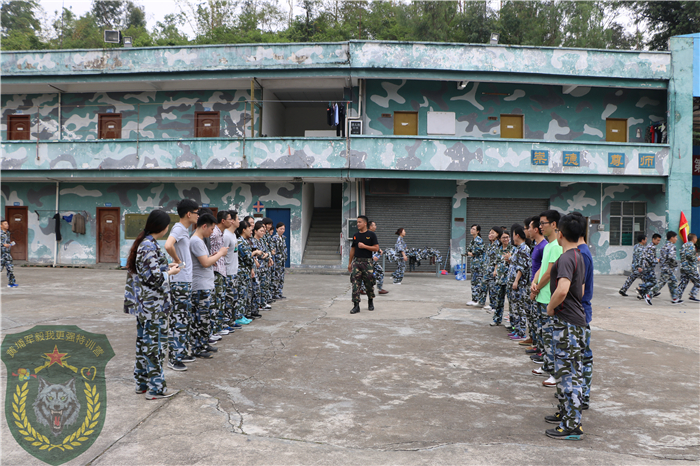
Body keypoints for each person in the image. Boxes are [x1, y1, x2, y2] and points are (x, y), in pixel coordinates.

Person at [124, 210, 181, 399]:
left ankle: (141, 383)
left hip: (146, 306)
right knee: (155, 347)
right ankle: (155, 388)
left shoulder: (146, 243)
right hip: (153, 307)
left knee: (144, 344)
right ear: (162, 227)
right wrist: (170, 273)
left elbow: (150, 270)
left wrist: (166, 267)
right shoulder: (148, 246)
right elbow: (153, 278)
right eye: (167, 226)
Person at [544, 213, 586, 440]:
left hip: (566, 323)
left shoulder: (567, 258)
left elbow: (562, 290)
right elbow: (579, 289)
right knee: (569, 372)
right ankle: (568, 416)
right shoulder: (578, 255)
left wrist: (550, 308)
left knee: (568, 375)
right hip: (574, 321)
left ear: (560, 233)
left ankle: (572, 425)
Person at [164, 199, 199, 371]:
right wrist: (177, 260)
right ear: (189, 214)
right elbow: (168, 245)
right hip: (179, 281)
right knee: (179, 319)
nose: (198, 216)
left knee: (184, 318)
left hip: (185, 281)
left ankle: (181, 351)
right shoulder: (178, 228)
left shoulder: (184, 230)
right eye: (197, 212)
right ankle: (174, 358)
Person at [530, 210, 562, 385]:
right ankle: (547, 365)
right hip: (541, 296)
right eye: (540, 224)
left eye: (543, 223)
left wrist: (537, 288)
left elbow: (550, 273)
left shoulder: (557, 245)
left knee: (550, 337)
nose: (540, 226)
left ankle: (554, 372)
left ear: (554, 225)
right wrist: (534, 283)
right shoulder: (548, 245)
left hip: (548, 297)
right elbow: (540, 269)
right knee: (544, 335)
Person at [190, 213, 228, 359]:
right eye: (211, 229)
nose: (212, 232)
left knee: (204, 318)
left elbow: (206, 260)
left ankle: (203, 343)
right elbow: (205, 263)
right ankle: (197, 347)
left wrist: (214, 255)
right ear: (204, 226)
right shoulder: (196, 241)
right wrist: (220, 254)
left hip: (205, 285)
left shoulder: (199, 240)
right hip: (199, 286)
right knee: (199, 318)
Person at [572, 212, 594, 411]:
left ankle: (583, 396)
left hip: (580, 313)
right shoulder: (581, 251)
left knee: (582, 357)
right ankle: (581, 395)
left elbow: (580, 290)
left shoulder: (582, 253)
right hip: (580, 312)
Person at [222, 211, 248, 328]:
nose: (239, 221)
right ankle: (226, 322)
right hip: (227, 272)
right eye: (237, 219)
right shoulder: (226, 235)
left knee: (233, 298)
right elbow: (222, 255)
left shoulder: (233, 235)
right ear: (232, 221)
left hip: (234, 271)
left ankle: (232, 320)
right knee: (227, 299)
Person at [349, 215, 379, 314]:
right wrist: (350, 263)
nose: (357, 224)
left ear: (365, 223)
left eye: (359, 222)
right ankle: (356, 305)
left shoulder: (371, 235)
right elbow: (353, 249)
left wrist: (364, 246)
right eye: (357, 222)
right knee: (355, 284)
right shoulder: (356, 235)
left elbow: (376, 248)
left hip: (367, 262)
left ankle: (370, 301)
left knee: (369, 283)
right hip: (357, 262)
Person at [210, 211, 232, 339]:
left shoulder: (220, 233)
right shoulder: (214, 233)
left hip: (221, 270)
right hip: (216, 269)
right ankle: (215, 328)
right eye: (230, 219)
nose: (232, 221)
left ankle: (218, 326)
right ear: (223, 221)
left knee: (220, 300)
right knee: (216, 301)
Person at [646, 231, 681, 305]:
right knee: (661, 283)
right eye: (675, 237)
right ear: (672, 238)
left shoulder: (664, 246)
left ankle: (675, 298)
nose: (676, 239)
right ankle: (649, 295)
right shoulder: (672, 246)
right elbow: (671, 258)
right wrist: (675, 264)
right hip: (668, 268)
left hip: (664, 267)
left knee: (673, 281)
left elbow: (661, 258)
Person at [233, 220, 256, 321]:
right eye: (249, 228)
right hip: (241, 272)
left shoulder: (244, 241)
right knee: (241, 294)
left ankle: (242, 315)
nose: (251, 230)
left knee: (244, 294)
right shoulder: (241, 242)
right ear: (243, 229)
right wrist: (253, 257)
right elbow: (248, 258)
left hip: (245, 272)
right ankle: (239, 316)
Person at [492, 230, 515, 327]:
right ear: (500, 239)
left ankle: (512, 321)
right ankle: (497, 319)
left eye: (507, 237)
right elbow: (497, 261)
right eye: (503, 237)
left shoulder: (512, 249)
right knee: (498, 300)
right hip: (500, 278)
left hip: (509, 278)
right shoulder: (499, 249)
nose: (506, 239)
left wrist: (510, 259)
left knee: (511, 301)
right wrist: (495, 270)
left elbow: (515, 263)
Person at [677, 233, 699, 302]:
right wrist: (696, 258)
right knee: (698, 281)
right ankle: (693, 294)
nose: (696, 240)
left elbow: (683, 254)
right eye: (696, 238)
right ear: (693, 239)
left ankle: (677, 296)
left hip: (683, 266)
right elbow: (689, 256)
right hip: (690, 267)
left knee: (684, 282)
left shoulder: (684, 245)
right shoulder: (691, 245)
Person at [466, 224, 485, 306]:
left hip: (479, 265)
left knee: (478, 282)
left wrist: (469, 253)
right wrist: (469, 253)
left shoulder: (478, 240)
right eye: (471, 228)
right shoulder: (473, 240)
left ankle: (478, 300)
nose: (472, 230)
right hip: (474, 264)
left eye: (474, 229)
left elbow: (473, 253)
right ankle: (474, 299)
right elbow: (469, 250)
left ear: (478, 231)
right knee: (474, 282)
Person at [638, 233, 661, 299]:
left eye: (659, 240)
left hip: (646, 266)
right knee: (653, 282)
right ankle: (641, 287)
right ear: (653, 239)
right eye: (657, 240)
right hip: (648, 267)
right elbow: (650, 259)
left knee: (649, 281)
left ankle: (643, 294)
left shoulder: (649, 246)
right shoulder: (652, 247)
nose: (658, 242)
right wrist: (657, 260)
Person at [272, 222, 288, 299]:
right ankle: (275, 293)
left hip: (282, 261)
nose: (282, 230)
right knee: (276, 277)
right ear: (277, 229)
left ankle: (279, 292)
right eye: (280, 229)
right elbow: (273, 250)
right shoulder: (274, 238)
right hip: (277, 262)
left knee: (281, 277)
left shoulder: (283, 238)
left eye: (283, 229)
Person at [1, 219, 17, 288]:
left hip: (7, 254)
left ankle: (11, 283)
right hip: (1, 254)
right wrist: (3, 245)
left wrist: (9, 243)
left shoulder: (8, 233)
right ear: (0, 225)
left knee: (10, 268)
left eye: (7, 224)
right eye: (5, 224)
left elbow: (6, 242)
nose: (7, 225)